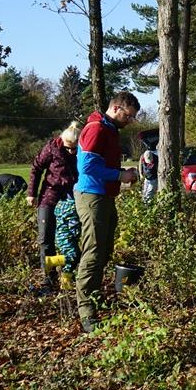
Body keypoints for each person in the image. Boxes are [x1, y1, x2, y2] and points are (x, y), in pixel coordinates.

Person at [74, 91, 140, 333]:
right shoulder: (96, 129)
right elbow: (87, 166)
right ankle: (86, 313)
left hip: (105, 196)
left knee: (104, 251)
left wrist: (122, 171)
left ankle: (94, 298)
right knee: (92, 254)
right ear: (115, 108)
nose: (129, 121)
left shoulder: (109, 130)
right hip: (92, 197)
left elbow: (101, 164)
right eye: (128, 116)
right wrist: (119, 175)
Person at [27, 122, 81, 293]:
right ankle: (48, 279)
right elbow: (36, 168)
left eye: (75, 148)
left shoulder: (83, 149)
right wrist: (31, 193)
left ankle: (69, 273)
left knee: (72, 240)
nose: (71, 151)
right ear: (62, 141)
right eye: (68, 148)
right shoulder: (51, 147)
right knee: (45, 240)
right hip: (50, 197)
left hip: (73, 198)